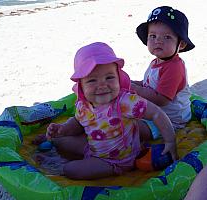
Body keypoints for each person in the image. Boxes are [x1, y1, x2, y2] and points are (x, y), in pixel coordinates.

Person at [45, 42, 178, 180]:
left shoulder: (125, 102)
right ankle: (53, 139)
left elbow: (157, 113)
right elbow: (78, 122)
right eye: (92, 81)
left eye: (109, 77)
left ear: (119, 78)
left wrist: (170, 142)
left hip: (117, 160)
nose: (102, 85)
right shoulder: (83, 105)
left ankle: (110, 167)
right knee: (61, 141)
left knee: (70, 169)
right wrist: (63, 129)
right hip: (93, 148)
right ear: (81, 85)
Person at [131, 6, 195, 141]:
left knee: (130, 127)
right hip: (155, 113)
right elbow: (149, 85)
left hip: (171, 120)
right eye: (153, 36)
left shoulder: (174, 68)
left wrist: (135, 89)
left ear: (181, 44)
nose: (158, 41)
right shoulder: (156, 61)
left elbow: (161, 99)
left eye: (167, 37)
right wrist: (130, 83)